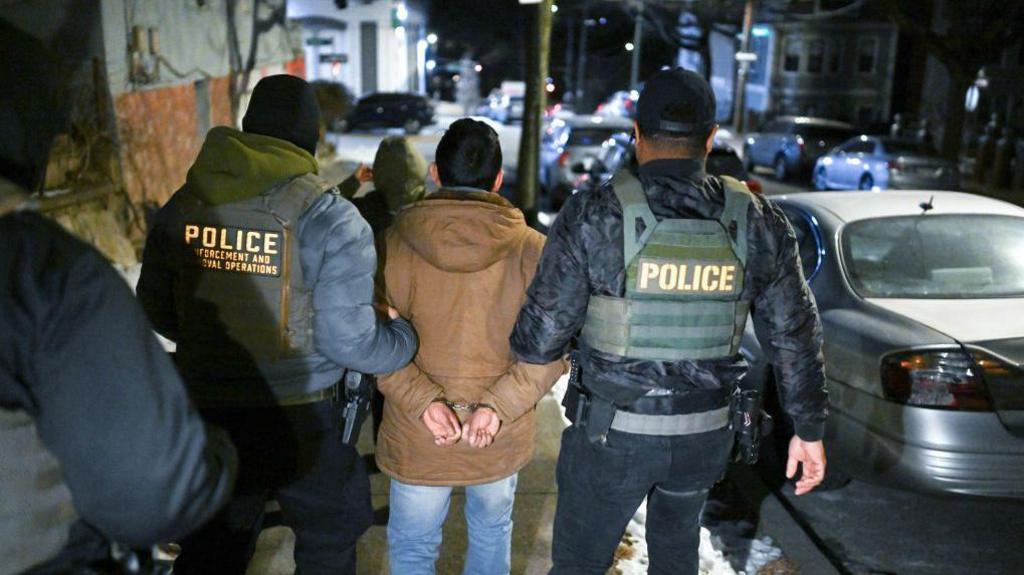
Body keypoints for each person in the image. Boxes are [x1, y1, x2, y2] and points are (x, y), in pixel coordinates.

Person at [510, 69, 829, 574]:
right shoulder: (758, 220)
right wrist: (808, 429)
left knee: (578, 565)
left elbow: (538, 340)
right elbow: (794, 334)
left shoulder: (595, 213)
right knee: (677, 553)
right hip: (704, 438)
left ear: (636, 135)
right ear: (709, 138)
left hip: (611, 436)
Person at [137, 74, 418, 575]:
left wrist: (216, 343)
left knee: (212, 545)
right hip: (302, 418)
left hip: (209, 409)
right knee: (329, 540)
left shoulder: (183, 205)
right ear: (310, 136)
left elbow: (156, 309)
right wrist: (401, 340)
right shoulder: (332, 217)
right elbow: (347, 340)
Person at [0, 21, 237, 574]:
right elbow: (158, 493)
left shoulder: (180, 207)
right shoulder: (46, 274)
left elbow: (156, 299)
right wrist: (217, 452)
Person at [374, 118, 566, 575]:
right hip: (496, 432)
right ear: (499, 180)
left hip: (419, 432)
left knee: (414, 549)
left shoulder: (391, 245)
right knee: (491, 533)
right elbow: (552, 350)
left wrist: (424, 402)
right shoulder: (533, 251)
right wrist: (496, 407)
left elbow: (369, 341)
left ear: (436, 173)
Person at [336, 136, 429, 444]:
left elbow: (324, 207)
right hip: (419, 304)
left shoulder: (362, 209)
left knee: (378, 380)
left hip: (375, 306)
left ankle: (381, 444)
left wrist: (352, 182)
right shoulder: (428, 208)